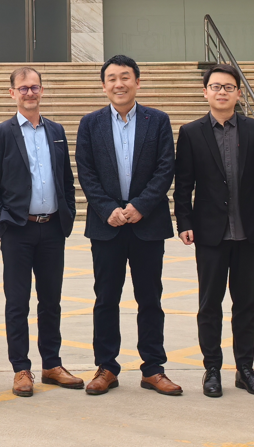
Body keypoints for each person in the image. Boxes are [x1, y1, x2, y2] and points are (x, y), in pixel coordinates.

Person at [74, 54, 182, 397]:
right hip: (106, 225)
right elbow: (86, 172)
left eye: (125, 77)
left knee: (150, 298)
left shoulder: (157, 120)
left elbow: (166, 168)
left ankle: (153, 369)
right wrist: (108, 209)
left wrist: (140, 206)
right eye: (112, 78)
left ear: (137, 81)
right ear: (103, 85)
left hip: (147, 224)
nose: (119, 84)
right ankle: (106, 367)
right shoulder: (90, 123)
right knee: (106, 298)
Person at [174, 63, 254, 399]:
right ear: (205, 92)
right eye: (216, 87)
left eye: (229, 87)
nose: (222, 92)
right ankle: (212, 369)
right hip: (209, 234)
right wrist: (184, 222)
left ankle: (245, 369)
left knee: (246, 303)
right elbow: (183, 184)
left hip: (249, 231)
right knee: (210, 304)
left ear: (238, 93)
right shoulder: (191, 132)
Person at [0, 66, 83, 398]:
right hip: (18, 230)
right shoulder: (0, 134)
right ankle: (21, 369)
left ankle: (52, 364)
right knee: (17, 302)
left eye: (34, 87)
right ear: (12, 93)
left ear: (42, 91)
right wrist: (1, 223)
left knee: (51, 300)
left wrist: (68, 214)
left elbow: (65, 178)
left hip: (52, 228)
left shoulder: (56, 130)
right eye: (23, 88)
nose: (29, 93)